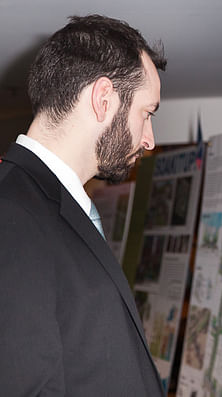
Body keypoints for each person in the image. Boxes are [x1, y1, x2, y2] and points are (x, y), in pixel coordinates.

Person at [0, 15, 166, 396]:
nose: (149, 139)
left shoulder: (43, 205)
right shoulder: (11, 213)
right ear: (103, 98)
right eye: (147, 113)